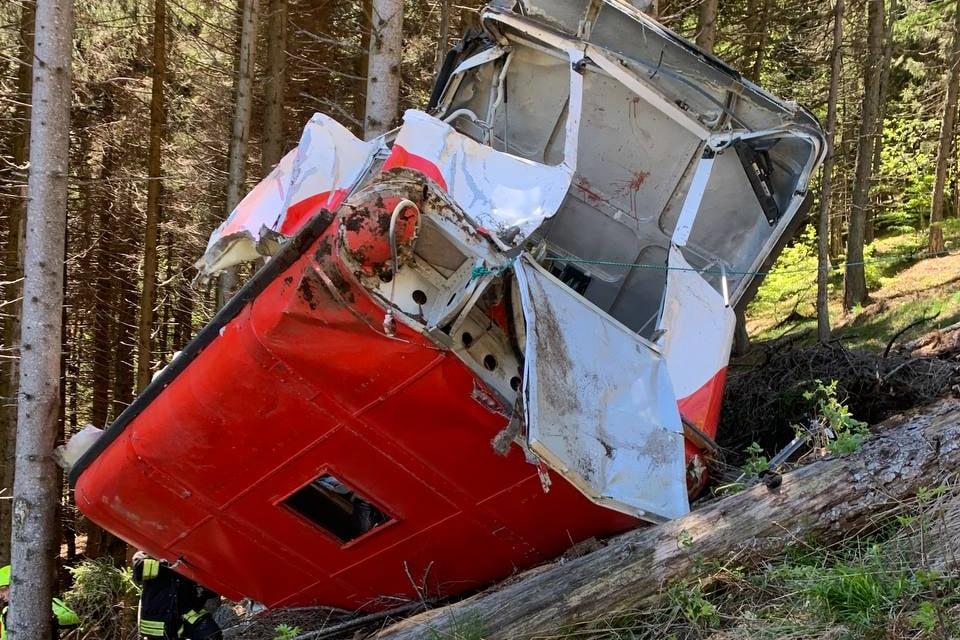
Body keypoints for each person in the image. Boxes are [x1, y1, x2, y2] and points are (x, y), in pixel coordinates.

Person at [132, 553, 222, 640]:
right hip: (159, 620)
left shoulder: (192, 555)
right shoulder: (147, 553)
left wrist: (204, 594)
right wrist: (169, 562)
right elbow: (139, 571)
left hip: (186, 614)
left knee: (211, 634)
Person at [0, 565, 81, 639]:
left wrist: (48, 618)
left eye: (2, 590)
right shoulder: (6, 611)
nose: (0, 596)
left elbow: (74, 619)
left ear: (16, 586)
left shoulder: (44, 602)